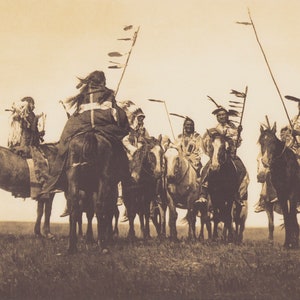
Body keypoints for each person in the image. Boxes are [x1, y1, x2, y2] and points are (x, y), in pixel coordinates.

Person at [38, 70, 131, 216]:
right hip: (103, 128)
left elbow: (76, 114)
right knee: (120, 148)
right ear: (101, 82)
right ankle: (126, 178)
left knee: (64, 145)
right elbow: (118, 116)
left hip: (82, 126)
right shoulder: (108, 95)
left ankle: (57, 179)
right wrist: (120, 118)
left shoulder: (82, 97)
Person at [199, 106, 249, 206]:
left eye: (223, 115)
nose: (222, 116)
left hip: (230, 156)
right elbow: (205, 143)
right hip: (216, 156)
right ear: (217, 117)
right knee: (205, 170)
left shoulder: (233, 128)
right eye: (219, 115)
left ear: (227, 116)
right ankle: (203, 194)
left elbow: (237, 143)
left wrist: (238, 134)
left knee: (243, 172)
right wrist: (211, 153)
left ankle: (240, 195)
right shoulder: (212, 130)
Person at [118, 101, 151, 222]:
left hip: (141, 157)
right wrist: (133, 150)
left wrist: (146, 144)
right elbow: (125, 141)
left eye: (143, 118)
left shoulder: (144, 130)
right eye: (139, 118)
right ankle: (120, 196)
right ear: (135, 118)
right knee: (122, 172)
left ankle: (154, 195)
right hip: (130, 156)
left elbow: (148, 141)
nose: (141, 120)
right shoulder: (129, 130)